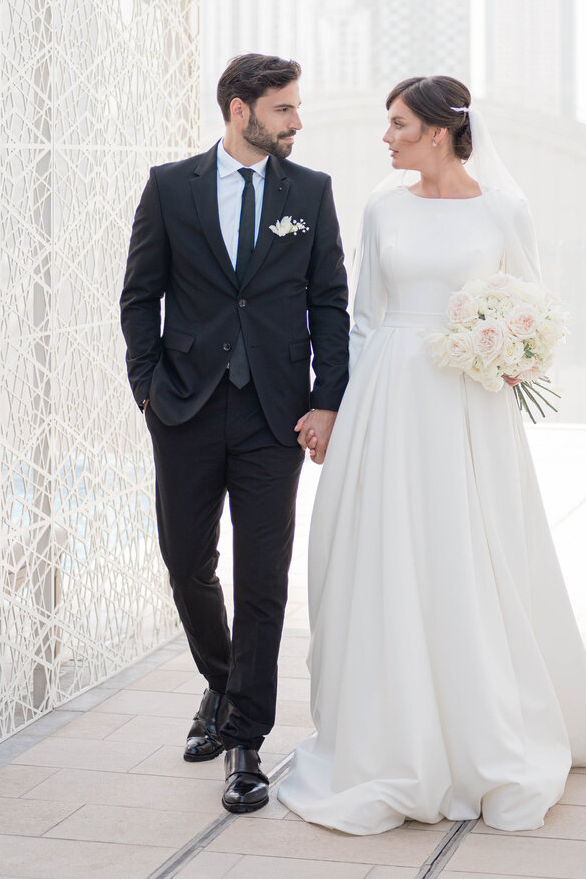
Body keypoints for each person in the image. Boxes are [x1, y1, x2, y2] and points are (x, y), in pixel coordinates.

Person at [278, 75, 586, 834]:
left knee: (469, 553)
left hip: (468, 405)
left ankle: (485, 726)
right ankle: (393, 731)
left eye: (399, 125)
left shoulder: (505, 210)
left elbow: (532, 304)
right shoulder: (382, 208)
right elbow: (362, 317)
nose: (386, 139)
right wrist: (339, 411)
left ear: (440, 131)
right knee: (387, 551)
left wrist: (506, 348)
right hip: (390, 397)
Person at [120, 53, 349, 815]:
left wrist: (326, 400)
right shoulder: (169, 186)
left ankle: (246, 739)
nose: (296, 121)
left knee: (262, 577)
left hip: (274, 413)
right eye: (284, 108)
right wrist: (147, 388)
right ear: (239, 108)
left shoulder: (310, 192)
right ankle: (222, 685)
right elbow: (139, 296)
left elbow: (329, 304)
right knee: (187, 563)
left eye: (295, 108)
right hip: (183, 405)